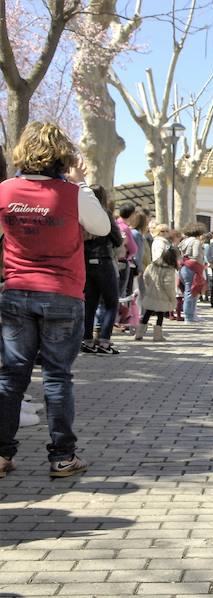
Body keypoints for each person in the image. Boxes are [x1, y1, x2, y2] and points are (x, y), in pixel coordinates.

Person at [0, 121, 110, 479]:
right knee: (57, 377)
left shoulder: (4, 190)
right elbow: (102, 228)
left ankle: (1, 455)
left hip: (16, 291)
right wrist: (80, 186)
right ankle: (62, 456)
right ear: (63, 155)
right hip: (62, 293)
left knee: (11, 378)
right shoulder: (73, 193)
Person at [81, 185, 123, 355]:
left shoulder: (81, 214)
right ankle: (104, 342)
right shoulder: (104, 214)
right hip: (103, 260)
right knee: (111, 302)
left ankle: (87, 340)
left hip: (85, 260)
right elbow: (118, 239)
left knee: (90, 303)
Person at [135, 246, 178, 341]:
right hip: (162, 296)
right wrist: (172, 297)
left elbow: (145, 276)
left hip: (150, 293)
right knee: (160, 315)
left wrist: (149, 286)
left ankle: (139, 333)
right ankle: (157, 335)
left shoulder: (152, 265)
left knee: (147, 313)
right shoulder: (169, 269)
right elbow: (168, 285)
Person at [178, 223, 206, 322]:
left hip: (184, 267)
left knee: (189, 291)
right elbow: (196, 255)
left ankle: (191, 315)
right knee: (191, 292)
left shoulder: (184, 241)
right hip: (193, 268)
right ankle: (189, 316)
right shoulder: (196, 242)